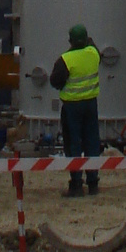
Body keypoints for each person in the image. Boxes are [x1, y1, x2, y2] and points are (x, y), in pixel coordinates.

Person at [50, 21, 102, 196]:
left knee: (73, 144)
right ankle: (93, 183)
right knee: (92, 142)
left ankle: (77, 184)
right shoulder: (94, 54)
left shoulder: (65, 59)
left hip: (72, 107)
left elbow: (55, 81)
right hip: (91, 104)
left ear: (70, 41)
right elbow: (94, 46)